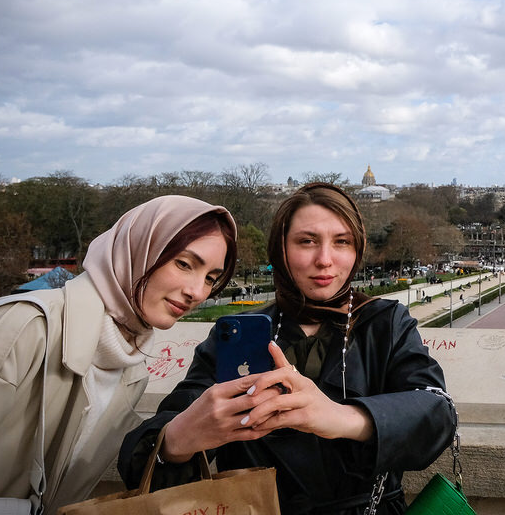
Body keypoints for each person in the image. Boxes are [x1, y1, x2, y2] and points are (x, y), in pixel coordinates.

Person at [119, 182, 455, 515]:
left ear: (358, 249)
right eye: (307, 241)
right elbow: (155, 445)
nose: (325, 260)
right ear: (281, 248)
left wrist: (340, 416)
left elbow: (437, 410)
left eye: (342, 242)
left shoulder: (384, 322)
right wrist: (179, 438)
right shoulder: (240, 333)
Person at [0, 195, 237, 515]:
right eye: (184, 264)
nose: (197, 292)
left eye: (210, 278)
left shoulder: (131, 369)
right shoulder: (23, 327)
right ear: (137, 248)